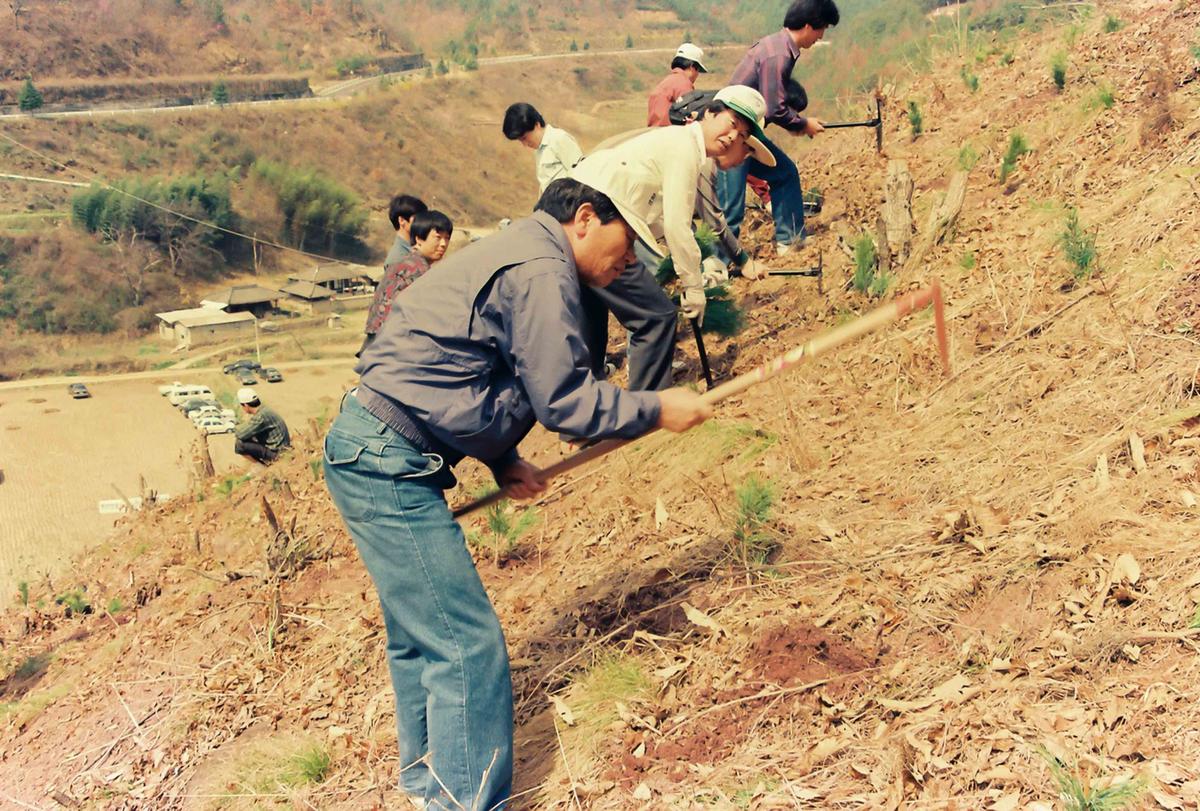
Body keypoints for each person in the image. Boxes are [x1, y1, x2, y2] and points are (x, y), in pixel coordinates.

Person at [324, 177, 712, 811]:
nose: (630, 263)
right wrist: (655, 408)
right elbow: (565, 402)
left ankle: (429, 782)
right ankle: (463, 801)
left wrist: (502, 459)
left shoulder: (520, 251)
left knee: (420, 634)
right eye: (627, 246)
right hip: (386, 460)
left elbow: (461, 366)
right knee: (464, 642)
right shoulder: (541, 269)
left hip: (372, 447)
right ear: (585, 219)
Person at [570, 85, 774, 391]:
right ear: (710, 113)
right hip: (599, 221)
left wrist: (692, 266)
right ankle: (648, 407)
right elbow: (679, 224)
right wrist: (694, 285)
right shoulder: (686, 149)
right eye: (732, 125)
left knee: (592, 321)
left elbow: (662, 219)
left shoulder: (683, 145)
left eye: (743, 135)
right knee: (655, 316)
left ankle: (585, 409)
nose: (734, 138)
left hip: (585, 216)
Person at [717, 0, 840, 256]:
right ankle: (716, 265)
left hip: (747, 132)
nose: (821, 37)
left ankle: (790, 239)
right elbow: (775, 108)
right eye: (822, 29)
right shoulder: (779, 54)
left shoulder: (777, 46)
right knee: (731, 207)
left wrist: (799, 123)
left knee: (784, 173)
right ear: (809, 26)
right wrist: (804, 124)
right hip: (732, 135)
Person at [361, 210, 454, 353]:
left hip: (380, 345)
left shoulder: (407, 262)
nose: (443, 244)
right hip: (390, 347)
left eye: (447, 238)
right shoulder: (417, 269)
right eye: (437, 237)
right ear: (419, 239)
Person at [502, 102, 584, 193]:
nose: (525, 144)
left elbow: (582, 174)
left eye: (525, 138)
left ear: (537, 125)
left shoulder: (559, 139)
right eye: (520, 141)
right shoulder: (539, 151)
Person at [647, 42, 708, 127]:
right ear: (692, 67)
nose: (697, 74)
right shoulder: (684, 84)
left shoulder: (667, 81)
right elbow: (688, 115)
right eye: (698, 70)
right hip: (670, 132)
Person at [233, 388, 291, 464]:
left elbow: (240, 434)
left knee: (239, 445)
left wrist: (239, 425)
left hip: (278, 453)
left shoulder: (260, 416)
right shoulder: (265, 410)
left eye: (242, 406)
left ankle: (260, 466)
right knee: (251, 436)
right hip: (282, 448)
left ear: (246, 405)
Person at [384, 194, 428, 267]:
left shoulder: (418, 250)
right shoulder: (398, 259)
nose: (424, 222)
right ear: (402, 220)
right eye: (419, 218)